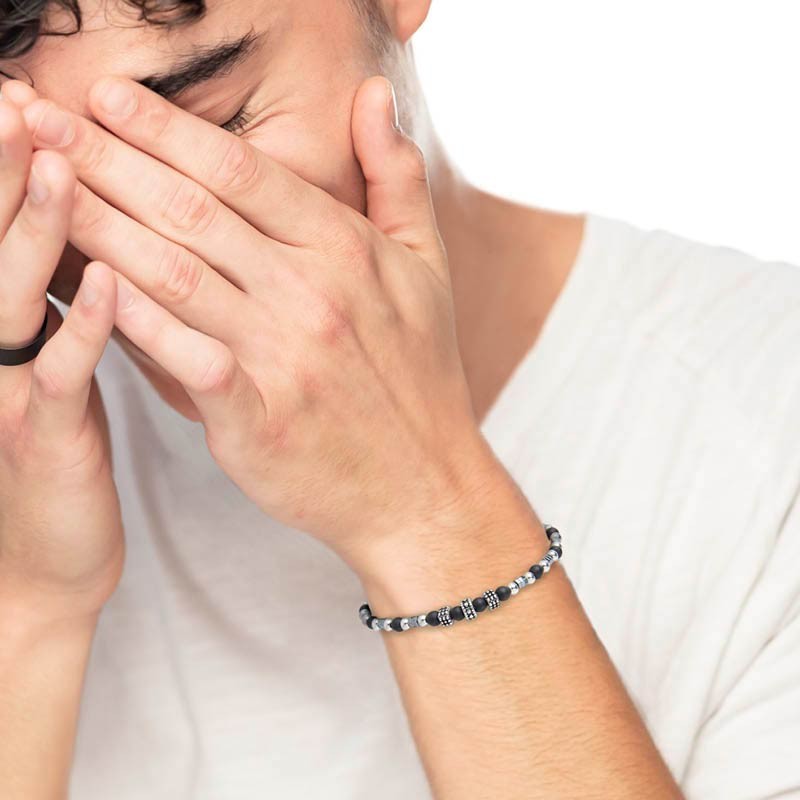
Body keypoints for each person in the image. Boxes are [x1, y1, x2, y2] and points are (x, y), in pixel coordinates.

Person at [1, 1, 798, 797]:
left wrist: (429, 511)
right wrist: (30, 608)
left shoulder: (764, 420)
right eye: (31, 171)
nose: (125, 248)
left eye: (207, 121)